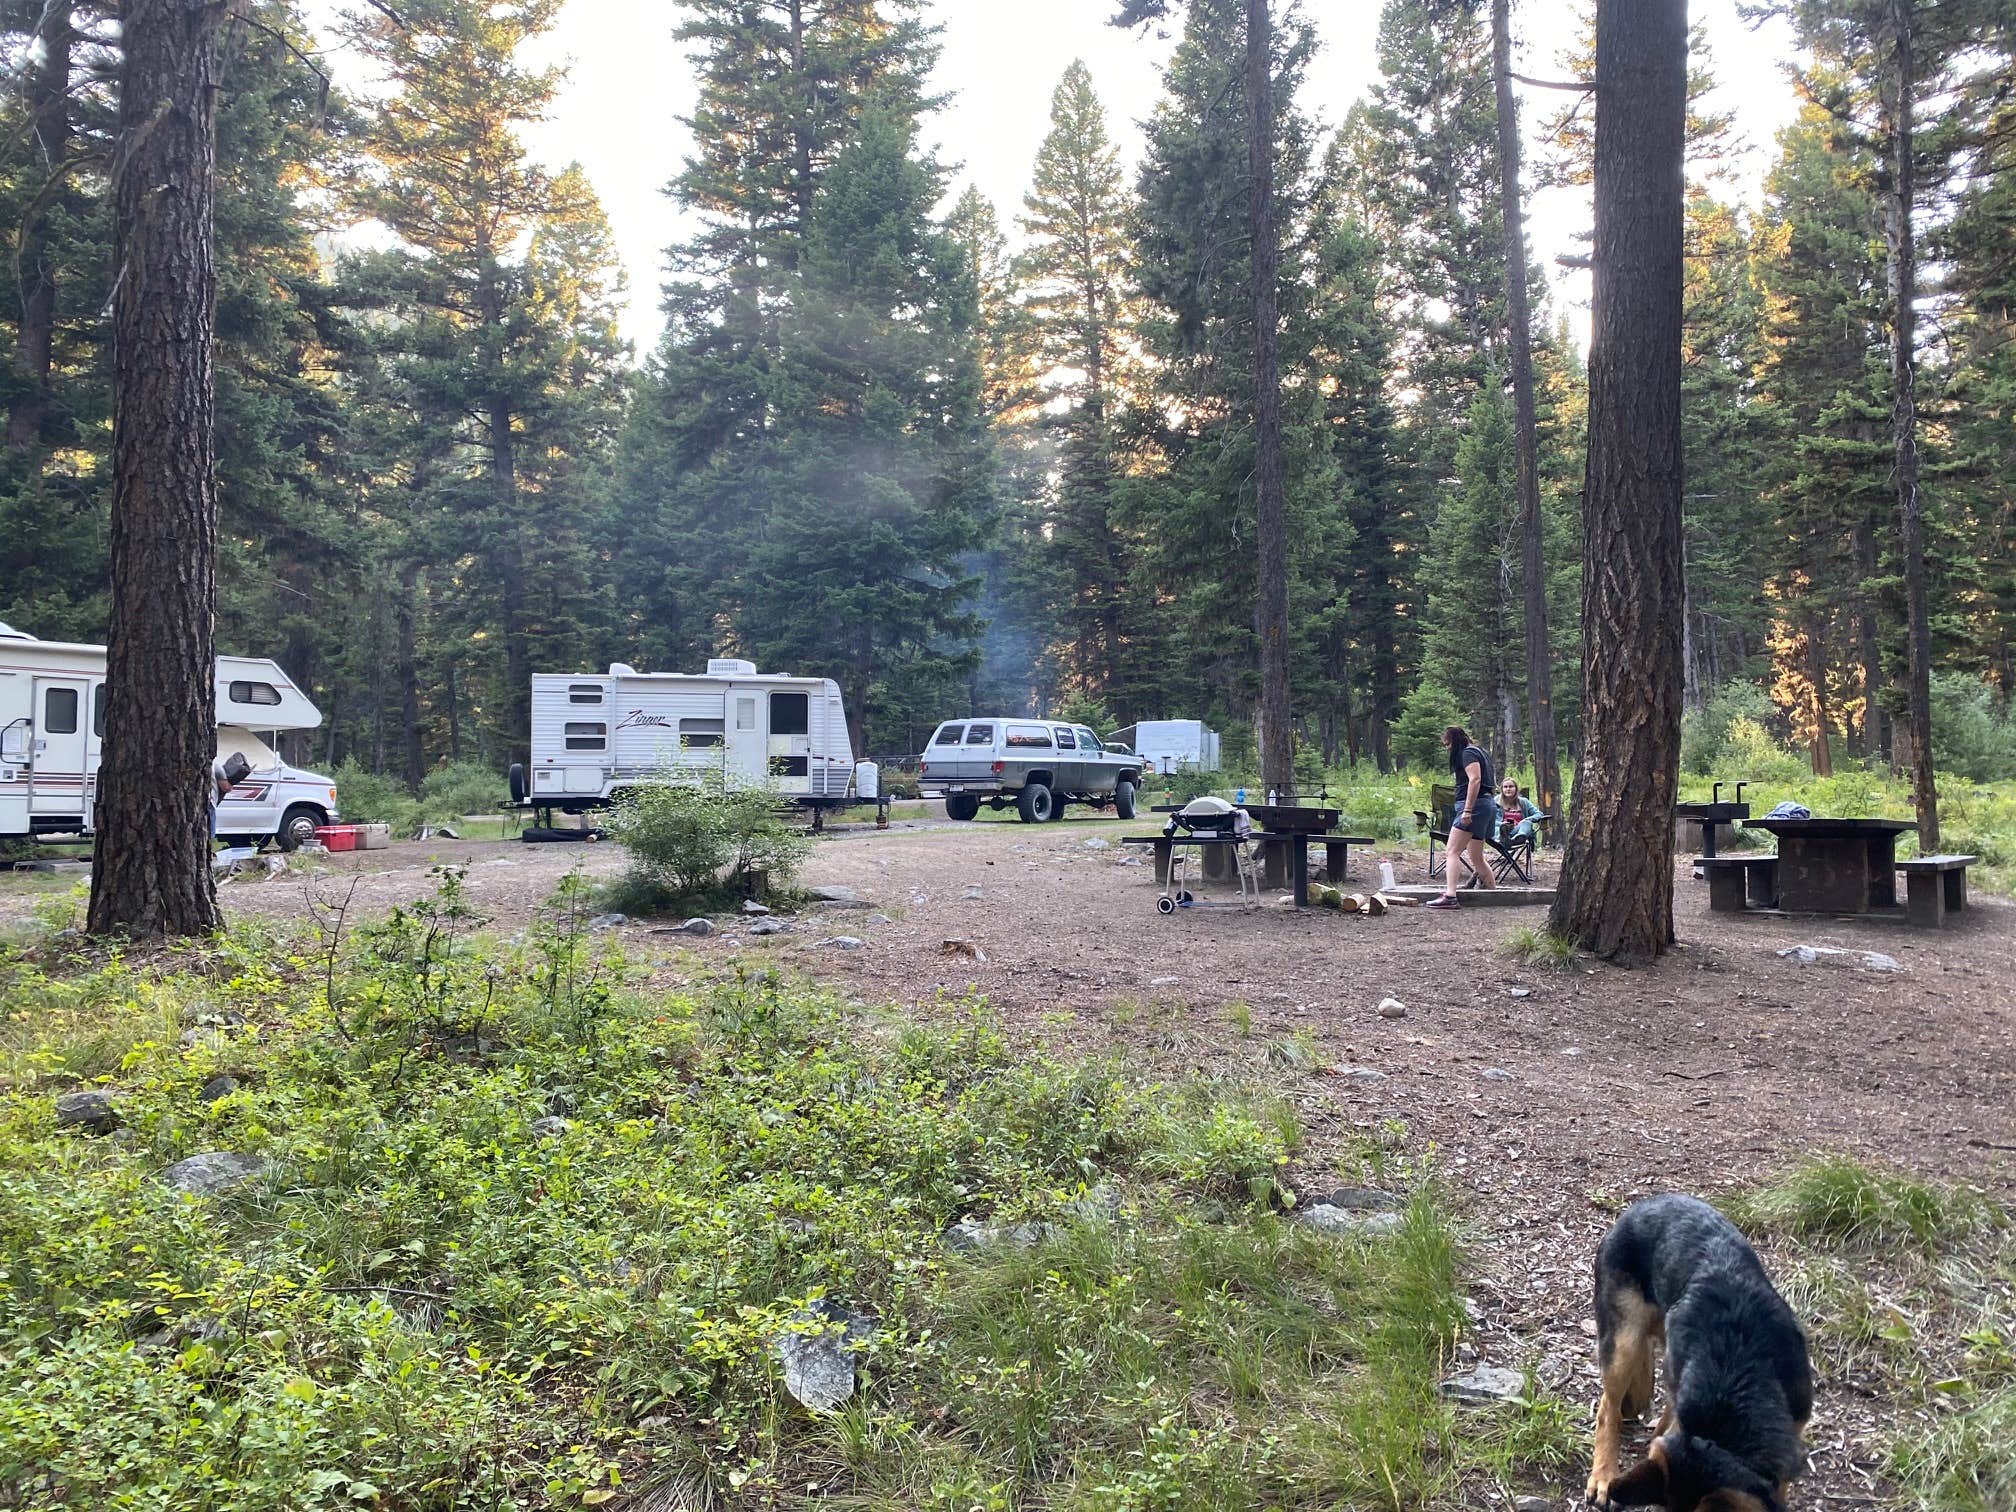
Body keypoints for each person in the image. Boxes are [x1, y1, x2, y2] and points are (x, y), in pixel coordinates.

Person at [1428, 725, 1496, 908]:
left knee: (1452, 851)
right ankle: (1493, 894)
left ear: (1456, 741)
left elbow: (1475, 779)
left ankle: (1450, 896)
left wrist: (1467, 810)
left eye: (1448, 744)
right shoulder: (1479, 751)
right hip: (1485, 805)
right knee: (1476, 857)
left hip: (1475, 807)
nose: (1447, 748)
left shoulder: (1468, 753)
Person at [1496, 778, 1542, 846]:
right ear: (1502, 789)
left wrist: (1526, 819)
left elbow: (1539, 814)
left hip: (1518, 830)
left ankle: (1519, 838)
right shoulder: (1496, 802)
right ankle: (1506, 839)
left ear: (1516, 789)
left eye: (1511, 786)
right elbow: (1490, 820)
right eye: (1505, 787)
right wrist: (1502, 824)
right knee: (1503, 827)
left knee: (1526, 823)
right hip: (1502, 832)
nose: (1508, 789)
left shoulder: (1523, 802)